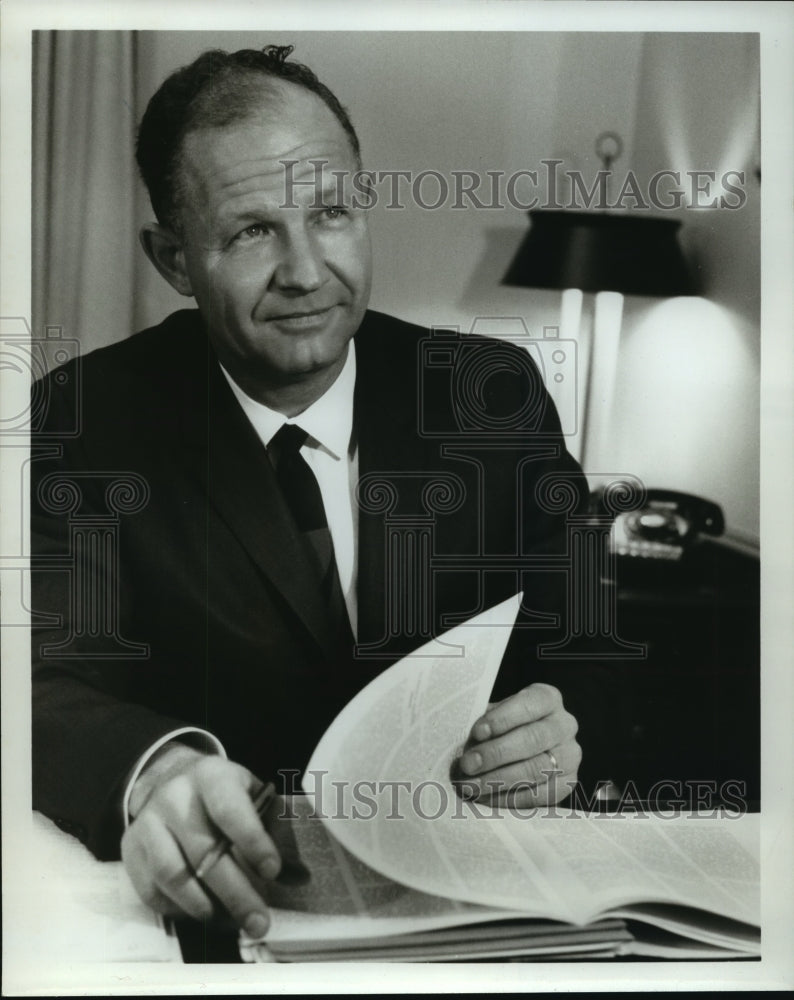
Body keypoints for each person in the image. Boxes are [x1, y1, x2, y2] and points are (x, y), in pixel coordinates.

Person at [31, 45, 594, 942]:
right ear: (174, 259)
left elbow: (583, 646)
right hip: (227, 912)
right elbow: (38, 680)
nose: (305, 272)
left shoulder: (491, 393)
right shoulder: (85, 420)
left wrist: (563, 730)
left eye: (330, 214)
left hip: (477, 901)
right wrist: (157, 770)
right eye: (252, 231)